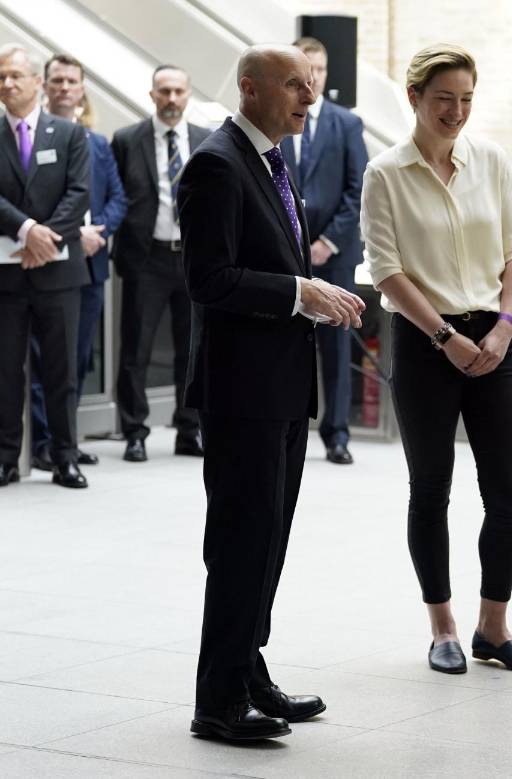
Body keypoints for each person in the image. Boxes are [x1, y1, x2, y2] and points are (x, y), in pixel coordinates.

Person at [180, 43, 365, 741]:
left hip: (283, 389)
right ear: (250, 88)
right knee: (239, 543)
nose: (308, 97)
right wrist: (299, 291)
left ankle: (248, 672)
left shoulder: (267, 161)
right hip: (242, 393)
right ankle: (217, 701)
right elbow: (209, 279)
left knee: (268, 542)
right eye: (293, 85)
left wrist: (310, 295)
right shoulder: (217, 163)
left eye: (310, 85)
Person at [361, 44, 512, 676]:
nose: (457, 112)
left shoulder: (491, 161)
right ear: (414, 98)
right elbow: (386, 270)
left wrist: (502, 329)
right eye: (444, 99)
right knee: (430, 488)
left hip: (498, 337)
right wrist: (446, 338)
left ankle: (495, 627)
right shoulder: (385, 172)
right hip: (423, 340)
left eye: (466, 99)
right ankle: (443, 628)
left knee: (507, 494)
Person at [28, 53, 127, 470]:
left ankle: (67, 438)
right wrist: (71, 234)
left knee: (77, 359)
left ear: (83, 88)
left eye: (72, 81)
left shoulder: (97, 143)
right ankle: (43, 443)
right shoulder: (31, 137)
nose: (65, 87)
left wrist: (98, 232)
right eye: (58, 81)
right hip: (47, 260)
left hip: (90, 264)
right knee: (42, 360)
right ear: (45, 86)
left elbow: (118, 198)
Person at [0, 44, 90, 489]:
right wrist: (27, 230)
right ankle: (6, 458)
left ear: (37, 82)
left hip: (58, 273)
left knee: (61, 371)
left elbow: (79, 195)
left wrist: (43, 239)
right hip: (7, 273)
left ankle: (64, 456)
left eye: (16, 76)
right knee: (5, 370)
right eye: (1, 77)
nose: (7, 84)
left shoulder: (69, 133)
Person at [110, 65, 209, 462]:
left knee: (194, 350)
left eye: (178, 92)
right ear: (152, 95)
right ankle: (134, 431)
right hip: (145, 257)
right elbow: (115, 196)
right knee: (136, 349)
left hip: (193, 258)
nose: (171, 99)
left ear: (188, 95)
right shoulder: (126, 140)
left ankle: (189, 430)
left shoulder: (206, 140)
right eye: (164, 91)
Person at [281, 36, 368, 465]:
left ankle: (336, 434)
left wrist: (327, 241)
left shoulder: (346, 124)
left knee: (336, 347)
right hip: (284, 256)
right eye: (304, 71)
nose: (312, 80)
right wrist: (295, 242)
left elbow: (358, 188)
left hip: (335, 254)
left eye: (319, 71)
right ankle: (286, 424)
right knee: (285, 344)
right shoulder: (276, 120)